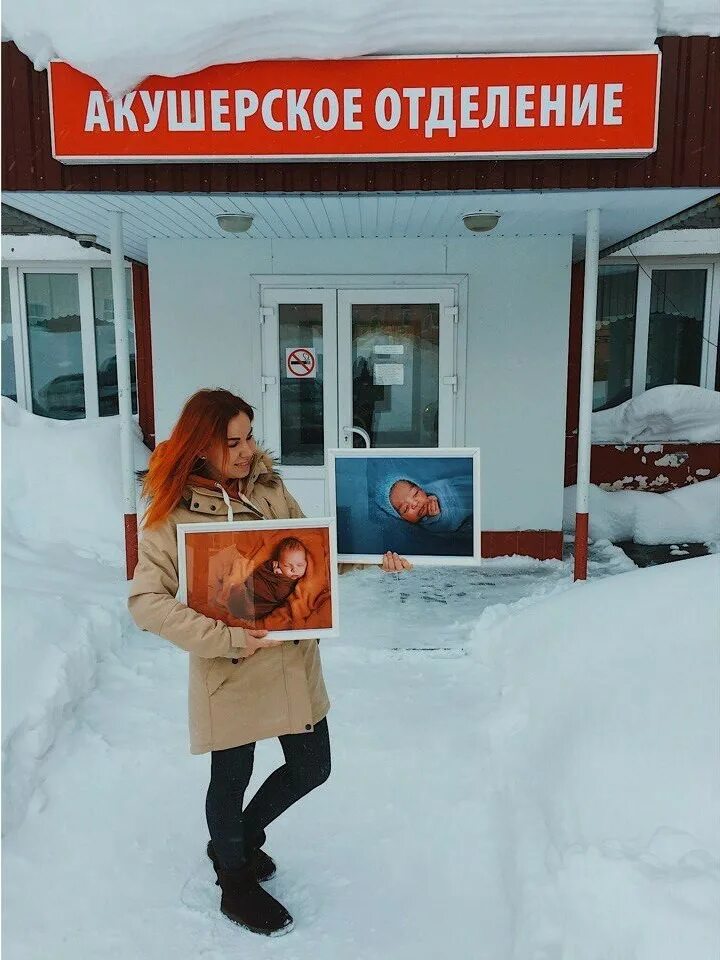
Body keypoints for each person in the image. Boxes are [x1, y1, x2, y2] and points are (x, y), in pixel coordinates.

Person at [128, 388, 411, 938]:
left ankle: (237, 838)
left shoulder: (267, 485)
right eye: (231, 441)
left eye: (249, 436)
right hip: (230, 666)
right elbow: (146, 601)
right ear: (199, 444)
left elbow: (314, 552)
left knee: (312, 766)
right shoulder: (171, 510)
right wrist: (225, 637)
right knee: (230, 777)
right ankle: (234, 879)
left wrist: (376, 555)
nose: (245, 450)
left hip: (291, 661)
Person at [226, 537, 308, 623]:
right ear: (278, 563)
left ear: (306, 562)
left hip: (258, 604)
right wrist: (279, 577)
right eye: (288, 566)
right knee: (241, 595)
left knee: (248, 607)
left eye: (300, 565)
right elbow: (279, 593)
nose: (294, 570)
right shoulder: (270, 569)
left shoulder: (300, 582)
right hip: (252, 592)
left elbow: (280, 596)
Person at [376, 473, 474, 538]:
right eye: (406, 508)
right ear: (402, 519)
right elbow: (450, 528)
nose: (415, 504)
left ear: (421, 488)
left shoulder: (440, 486)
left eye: (415, 494)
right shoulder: (429, 526)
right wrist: (437, 518)